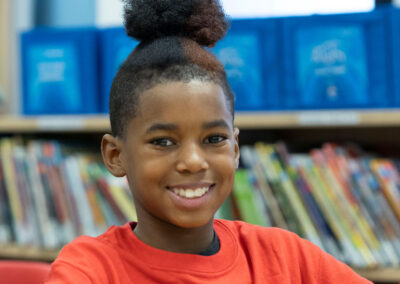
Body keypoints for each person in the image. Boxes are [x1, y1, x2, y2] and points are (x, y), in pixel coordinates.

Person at [44, 0, 372, 283]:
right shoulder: (89, 270)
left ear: (235, 148)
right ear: (115, 155)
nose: (194, 161)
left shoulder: (285, 257)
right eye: (163, 141)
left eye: (214, 138)